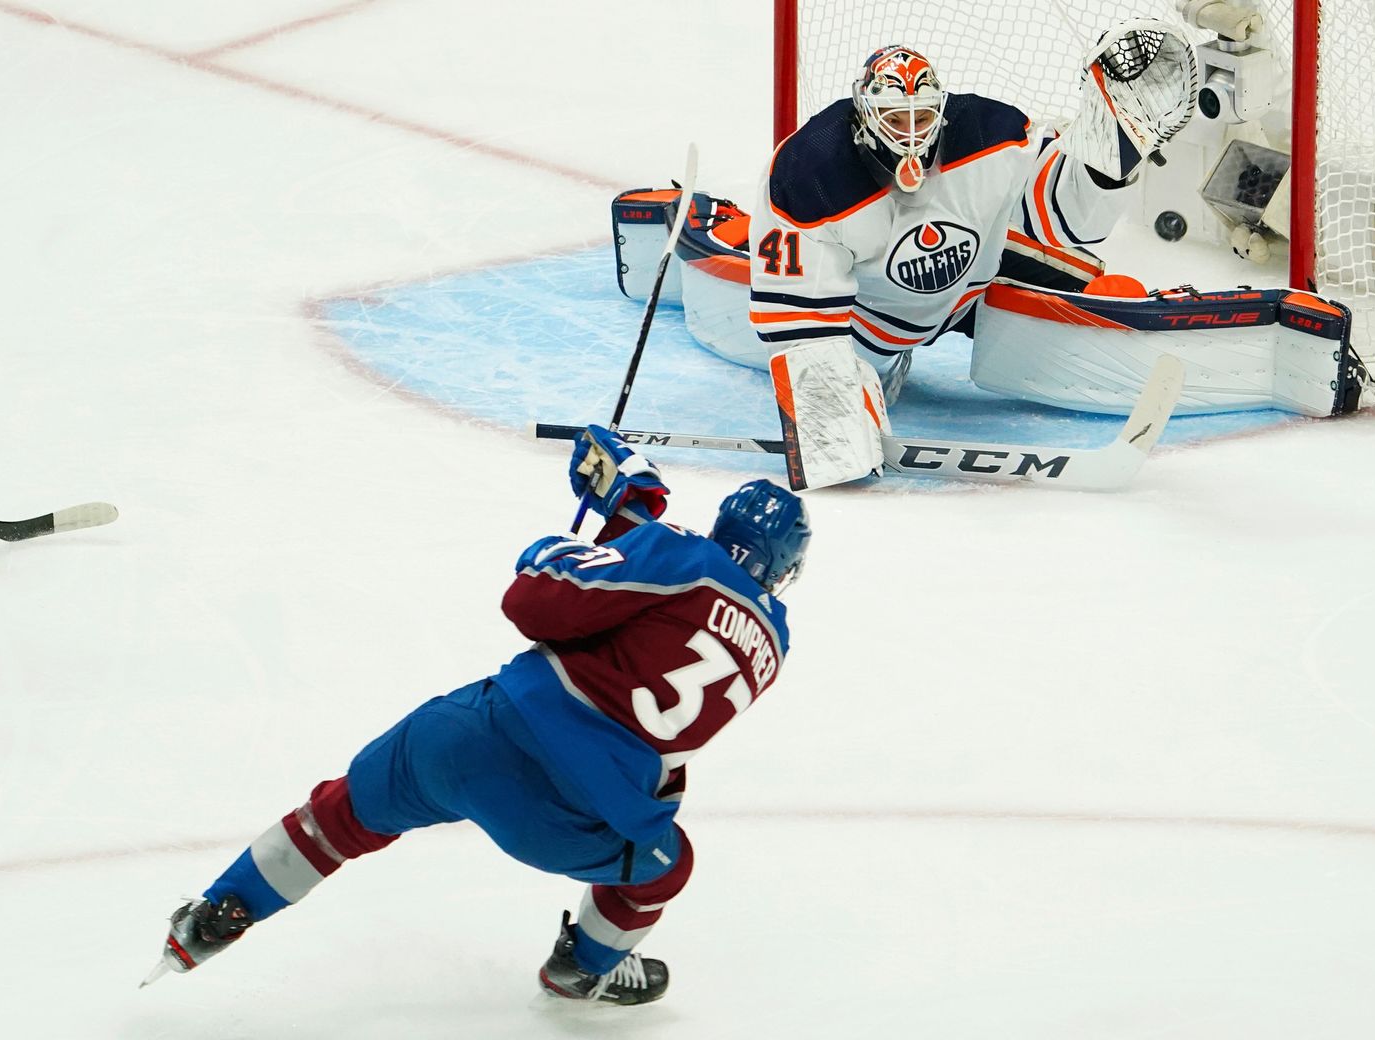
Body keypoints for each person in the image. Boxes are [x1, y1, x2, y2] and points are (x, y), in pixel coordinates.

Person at [144, 425, 812, 1006]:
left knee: (342, 815)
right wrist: (630, 522)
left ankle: (220, 913)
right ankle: (583, 971)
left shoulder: (683, 554)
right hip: (571, 819)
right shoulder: (772, 646)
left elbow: (537, 606)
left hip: (473, 736)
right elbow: (655, 638)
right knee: (667, 866)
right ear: (782, 569)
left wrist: (574, 545)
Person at [676, 33, 1199, 488]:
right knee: (839, 445)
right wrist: (833, 419)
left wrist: (1111, 156)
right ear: (863, 115)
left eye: (921, 116)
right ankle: (724, 225)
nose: (909, 133)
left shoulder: (990, 133)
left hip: (972, 287)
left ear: (941, 110)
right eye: (893, 118)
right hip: (865, 320)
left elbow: (1067, 221)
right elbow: (801, 324)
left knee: (1087, 279)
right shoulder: (808, 174)